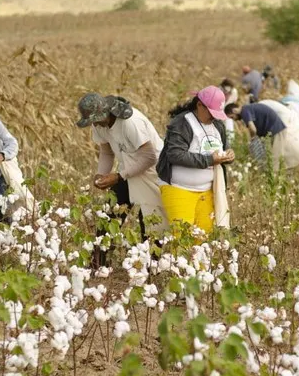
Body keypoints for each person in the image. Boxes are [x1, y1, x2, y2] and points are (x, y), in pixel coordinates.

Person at [76, 93, 167, 264]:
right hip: (128, 168)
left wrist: (119, 176)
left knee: (149, 219)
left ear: (105, 112)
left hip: (152, 171)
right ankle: (98, 264)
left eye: (96, 119)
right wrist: (101, 174)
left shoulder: (130, 123)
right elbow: (106, 151)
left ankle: (151, 267)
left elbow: (150, 157)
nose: (94, 124)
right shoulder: (99, 124)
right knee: (110, 213)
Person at [157, 86, 234, 233]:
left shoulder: (217, 125)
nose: (214, 117)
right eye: (211, 113)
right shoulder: (183, 123)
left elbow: (223, 148)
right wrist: (209, 160)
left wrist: (229, 155)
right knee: (182, 237)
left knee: (203, 238)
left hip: (206, 191)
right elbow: (175, 154)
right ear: (199, 105)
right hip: (179, 189)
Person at [220, 79, 239, 146]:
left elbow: (234, 103)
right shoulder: (219, 91)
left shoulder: (234, 92)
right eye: (225, 91)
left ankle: (230, 145)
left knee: (230, 132)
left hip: (228, 114)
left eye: (229, 91)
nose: (227, 93)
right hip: (219, 114)